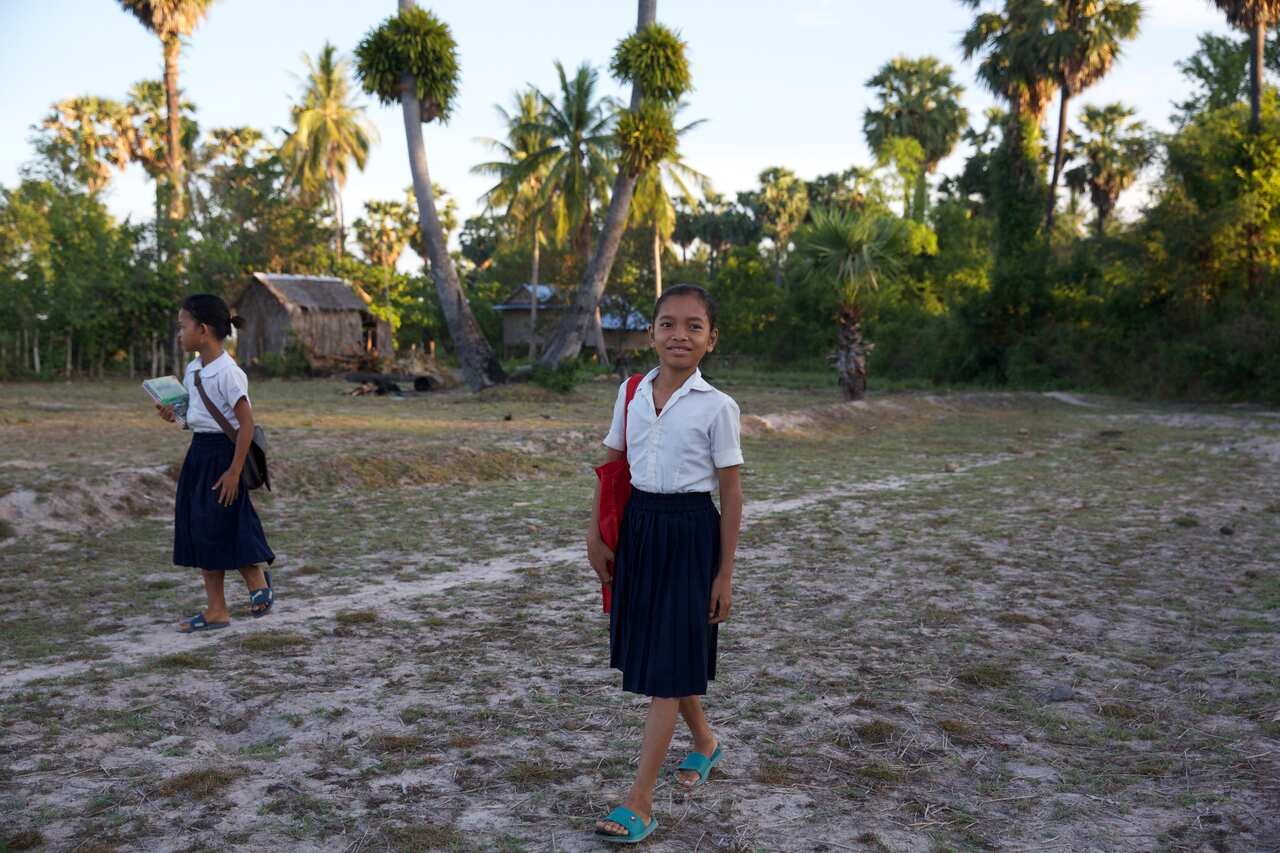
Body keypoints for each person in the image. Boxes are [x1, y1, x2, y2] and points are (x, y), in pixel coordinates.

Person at [587, 284, 744, 844]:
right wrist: (595, 534)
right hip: (639, 530)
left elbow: (730, 495)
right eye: (668, 324)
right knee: (665, 653)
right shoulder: (629, 392)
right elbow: (612, 466)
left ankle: (640, 799)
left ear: (710, 340)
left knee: (667, 665)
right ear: (651, 333)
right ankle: (705, 742)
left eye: (694, 326)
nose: (680, 334)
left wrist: (723, 574)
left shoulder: (718, 407)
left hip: (690, 534)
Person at [157, 294, 274, 633]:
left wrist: (234, 471)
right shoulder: (193, 369)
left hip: (226, 456)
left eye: (183, 327)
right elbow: (196, 418)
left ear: (203, 330)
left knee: (222, 525)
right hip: (200, 454)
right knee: (202, 528)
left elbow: (245, 424)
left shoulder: (229, 372)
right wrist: (173, 417)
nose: (180, 334)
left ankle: (254, 580)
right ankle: (217, 610)